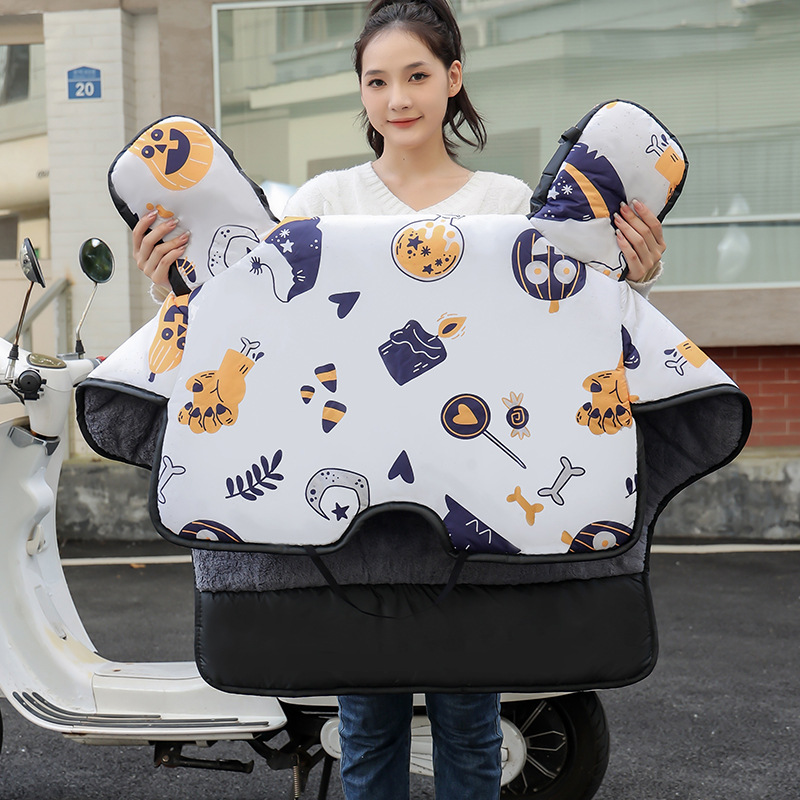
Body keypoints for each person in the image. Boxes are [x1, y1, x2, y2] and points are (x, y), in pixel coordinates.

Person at [132, 2, 667, 797]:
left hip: (479, 500)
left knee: (471, 725)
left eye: (416, 75)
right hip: (353, 504)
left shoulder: (504, 202)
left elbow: (561, 326)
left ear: (453, 78)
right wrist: (173, 284)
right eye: (377, 81)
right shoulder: (324, 200)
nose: (398, 98)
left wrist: (634, 275)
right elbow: (261, 319)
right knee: (366, 729)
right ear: (361, 91)